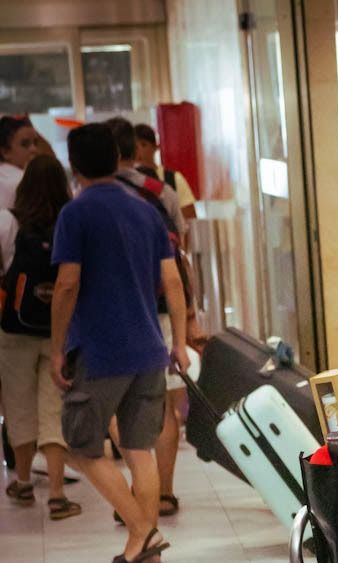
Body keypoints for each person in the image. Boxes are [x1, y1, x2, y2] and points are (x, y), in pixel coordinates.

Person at [49, 123, 188, 563]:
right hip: (150, 345)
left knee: (82, 444)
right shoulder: (145, 210)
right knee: (138, 447)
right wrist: (179, 342)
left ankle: (141, 530)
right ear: (116, 157)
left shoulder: (76, 213)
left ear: (74, 165)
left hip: (101, 349)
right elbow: (171, 279)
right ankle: (140, 543)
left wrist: (56, 349)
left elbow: (67, 283)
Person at [108, 116, 196, 517]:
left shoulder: (92, 196)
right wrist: (186, 323)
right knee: (161, 407)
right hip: (159, 313)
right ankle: (164, 491)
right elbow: (178, 260)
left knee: (116, 407)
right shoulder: (162, 192)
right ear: (134, 148)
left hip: (112, 317)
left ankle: (136, 489)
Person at [0, 154, 80, 518]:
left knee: (18, 404)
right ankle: (59, 493)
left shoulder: (8, 222)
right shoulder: (72, 219)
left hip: (14, 329)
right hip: (58, 328)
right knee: (54, 407)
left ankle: (23, 482)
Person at [133, 123, 197, 224]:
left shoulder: (174, 178)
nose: (138, 151)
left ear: (156, 147)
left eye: (143, 145)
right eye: (134, 147)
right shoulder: (128, 180)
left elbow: (189, 218)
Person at [0, 116, 39, 210]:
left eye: (35, 143)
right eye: (25, 144)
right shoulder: (24, 182)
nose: (34, 149)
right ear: (6, 152)